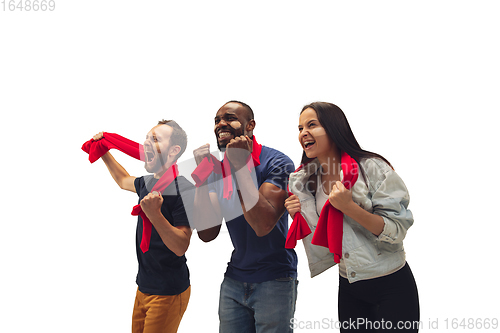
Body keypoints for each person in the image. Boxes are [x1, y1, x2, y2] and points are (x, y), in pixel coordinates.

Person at [285, 102, 420, 332]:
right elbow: (328, 235)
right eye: (300, 128)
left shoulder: (372, 168)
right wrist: (299, 212)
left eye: (312, 125)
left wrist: (350, 207)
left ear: (334, 128)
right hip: (349, 284)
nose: (303, 133)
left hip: (391, 284)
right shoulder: (307, 180)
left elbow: (397, 230)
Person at [192, 101, 298, 332]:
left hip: (275, 280)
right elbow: (207, 233)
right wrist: (202, 179)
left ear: (250, 125)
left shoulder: (277, 162)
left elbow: (262, 224)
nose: (220, 124)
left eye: (229, 118)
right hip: (233, 280)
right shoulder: (218, 170)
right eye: (217, 120)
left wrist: (240, 167)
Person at [89, 120, 194, 333]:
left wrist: (154, 215)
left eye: (155, 139)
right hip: (144, 286)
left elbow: (181, 245)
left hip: (168, 291)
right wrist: (103, 150)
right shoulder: (146, 183)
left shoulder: (183, 188)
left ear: (174, 151)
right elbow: (123, 179)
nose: (146, 143)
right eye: (146, 138)